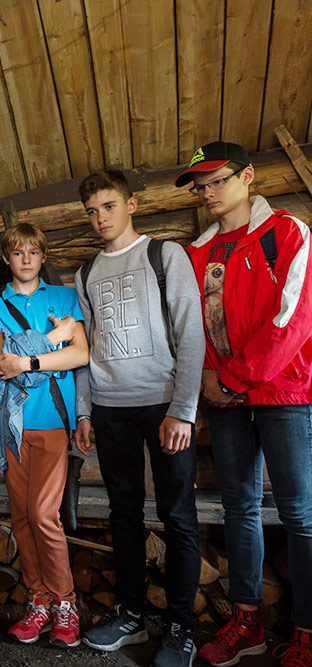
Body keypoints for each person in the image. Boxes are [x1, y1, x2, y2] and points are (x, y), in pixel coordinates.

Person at [175, 141, 312, 667]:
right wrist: (211, 376)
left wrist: (233, 377)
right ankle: (247, 619)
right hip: (226, 400)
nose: (209, 192)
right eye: (200, 185)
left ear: (248, 175)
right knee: (240, 506)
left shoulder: (287, 233)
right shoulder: (198, 253)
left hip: (284, 395)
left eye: (218, 180)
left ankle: (305, 629)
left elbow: (294, 318)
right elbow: (196, 328)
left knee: (300, 512)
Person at [74, 168, 204, 667]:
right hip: (110, 409)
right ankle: (130, 614)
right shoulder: (85, 274)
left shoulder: (164, 255)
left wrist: (183, 410)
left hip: (164, 406)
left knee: (177, 516)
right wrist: (85, 410)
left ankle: (180, 627)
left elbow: (191, 334)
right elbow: (86, 351)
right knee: (123, 513)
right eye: (92, 211)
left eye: (108, 206)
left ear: (131, 205)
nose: (100, 218)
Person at [0, 223, 88, 648]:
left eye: (33, 252)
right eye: (17, 253)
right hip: (13, 424)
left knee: (45, 514)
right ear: (6, 259)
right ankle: (38, 600)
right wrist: (52, 341)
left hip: (53, 423)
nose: (25, 259)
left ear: (43, 257)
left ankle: (65, 602)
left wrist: (29, 359)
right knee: (23, 516)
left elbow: (80, 353)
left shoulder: (64, 297)